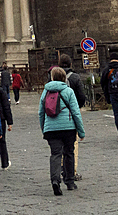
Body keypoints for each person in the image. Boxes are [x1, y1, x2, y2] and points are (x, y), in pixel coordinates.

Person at [39, 66, 85, 195]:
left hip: (51, 129)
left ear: (52, 77)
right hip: (68, 128)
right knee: (69, 152)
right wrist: (81, 131)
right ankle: (70, 181)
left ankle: (55, 180)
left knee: (55, 154)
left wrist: (44, 129)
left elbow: (40, 112)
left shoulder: (45, 91)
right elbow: (76, 112)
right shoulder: (68, 91)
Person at [59, 55, 86, 181]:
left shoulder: (53, 77)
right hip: (71, 115)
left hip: (55, 115)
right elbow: (81, 97)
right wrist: (77, 107)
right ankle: (71, 171)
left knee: (58, 145)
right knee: (72, 145)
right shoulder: (75, 77)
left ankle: (60, 168)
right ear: (70, 64)